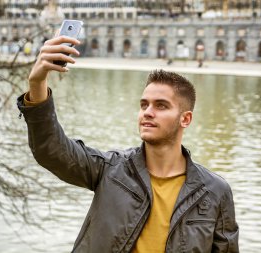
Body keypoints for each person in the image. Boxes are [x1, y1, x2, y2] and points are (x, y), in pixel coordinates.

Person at [17, 35, 239, 253]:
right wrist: (37, 83)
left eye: (161, 106)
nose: (148, 113)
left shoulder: (214, 192)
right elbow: (52, 150)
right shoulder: (110, 169)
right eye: (144, 105)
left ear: (185, 119)